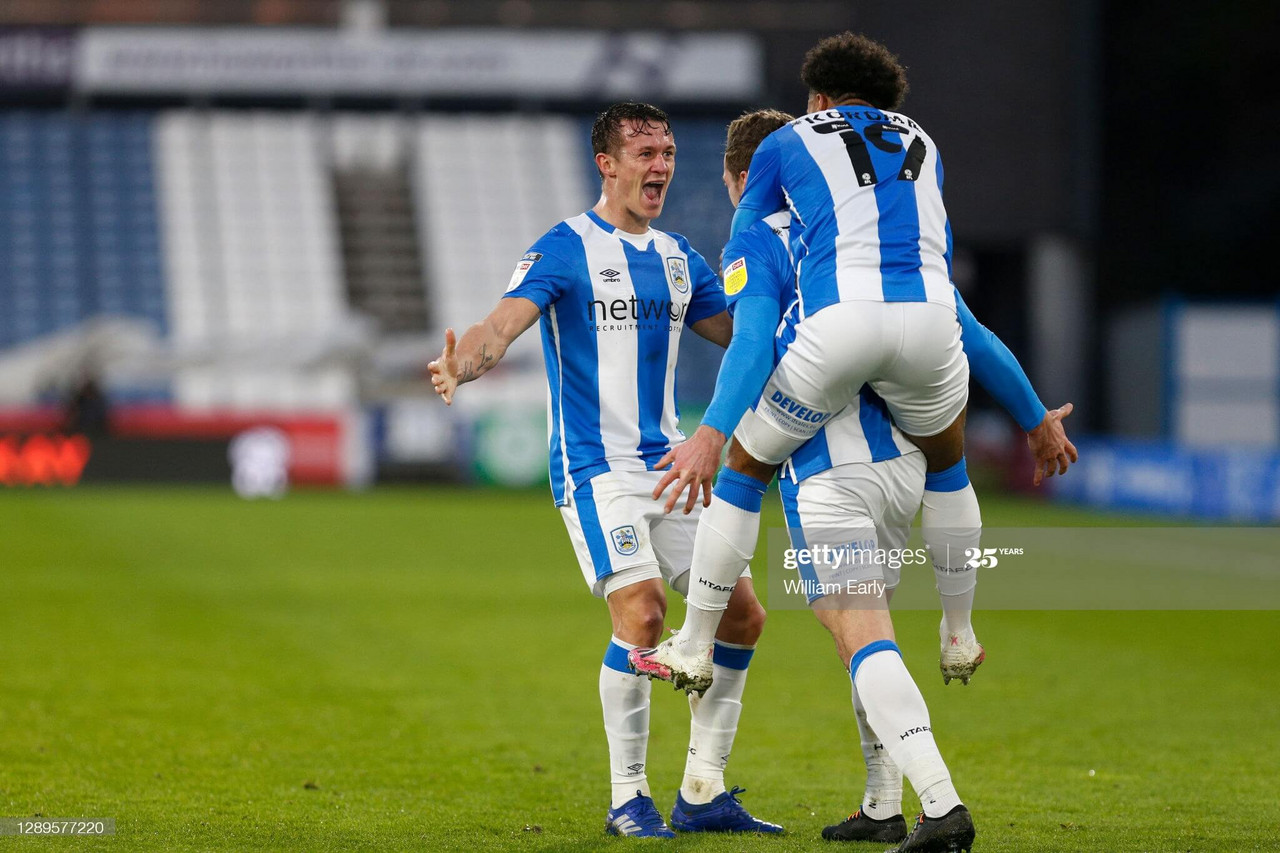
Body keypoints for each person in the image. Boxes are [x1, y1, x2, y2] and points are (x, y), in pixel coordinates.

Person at [427, 102, 782, 838]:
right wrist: (464, 361)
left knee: (743, 614)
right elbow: (501, 326)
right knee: (645, 611)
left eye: (669, 152)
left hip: (671, 466)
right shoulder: (564, 248)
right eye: (645, 152)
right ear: (607, 163)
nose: (661, 166)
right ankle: (628, 798)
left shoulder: (683, 258)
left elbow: (747, 336)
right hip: (595, 470)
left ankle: (702, 789)